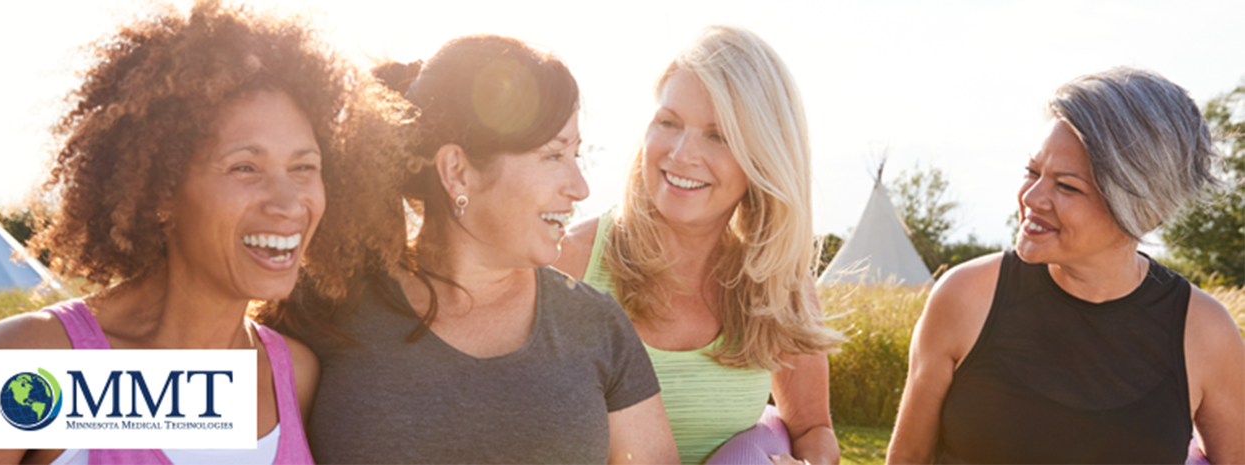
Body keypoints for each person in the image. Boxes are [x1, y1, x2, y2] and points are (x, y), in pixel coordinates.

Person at [0, 1, 410, 463]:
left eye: (304, 167)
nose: (288, 204)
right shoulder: (36, 364)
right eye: (244, 166)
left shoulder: (292, 375)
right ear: (161, 192)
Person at [276, 35, 679, 464]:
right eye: (552, 156)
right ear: (457, 171)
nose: (579, 187)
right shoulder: (326, 305)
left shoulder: (596, 324)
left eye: (575, 154)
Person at [886, 67, 1245, 464]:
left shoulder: (1205, 332)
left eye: (1068, 186)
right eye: (1032, 171)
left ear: (1147, 211)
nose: (1033, 198)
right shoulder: (965, 296)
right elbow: (909, 458)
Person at [553, 25, 846, 465]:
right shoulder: (570, 261)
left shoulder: (777, 285)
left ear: (764, 157)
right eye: (668, 123)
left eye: (719, 135)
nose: (681, 154)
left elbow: (812, 428)